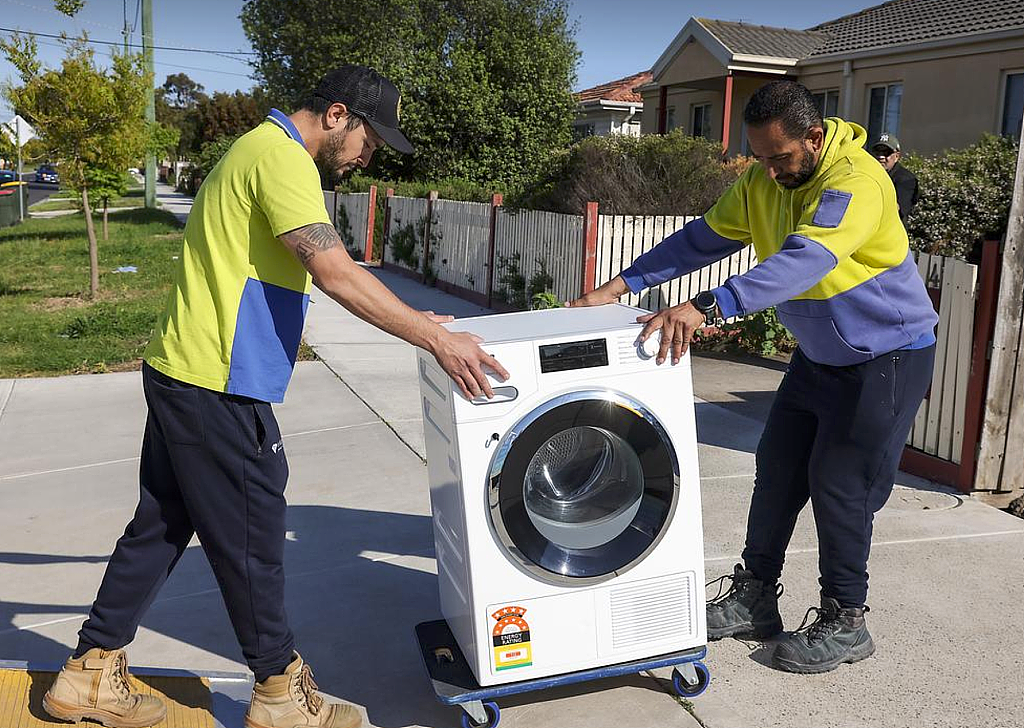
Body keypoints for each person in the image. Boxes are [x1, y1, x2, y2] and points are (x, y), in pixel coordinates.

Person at [41, 65, 508, 728]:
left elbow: (329, 271)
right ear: (338, 114)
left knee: (163, 525)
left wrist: (416, 318)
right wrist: (433, 340)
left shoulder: (256, 147)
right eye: (371, 140)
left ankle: (89, 673)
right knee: (253, 534)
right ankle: (280, 693)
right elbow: (334, 270)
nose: (371, 155)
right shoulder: (284, 159)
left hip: (186, 369)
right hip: (218, 382)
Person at [570, 80, 937, 674]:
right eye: (760, 158)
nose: (768, 172)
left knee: (838, 485)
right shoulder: (764, 180)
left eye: (780, 158)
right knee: (777, 471)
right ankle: (755, 597)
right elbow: (701, 239)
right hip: (821, 355)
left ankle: (847, 620)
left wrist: (706, 307)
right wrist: (618, 286)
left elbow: (806, 261)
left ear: (814, 138)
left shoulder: (856, 182)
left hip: (885, 356)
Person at [871, 133, 919, 221]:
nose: (881, 157)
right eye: (877, 152)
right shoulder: (870, 175)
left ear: (897, 156)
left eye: (886, 153)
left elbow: (898, 209)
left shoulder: (906, 179)